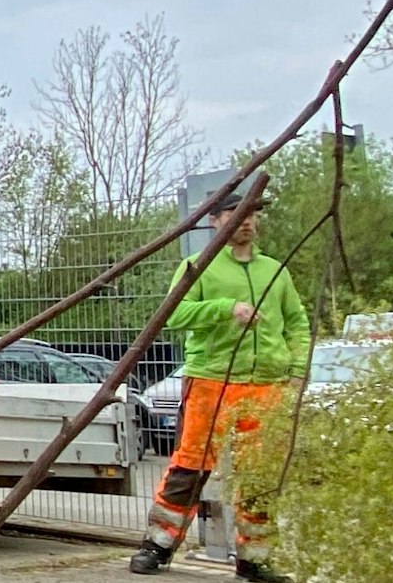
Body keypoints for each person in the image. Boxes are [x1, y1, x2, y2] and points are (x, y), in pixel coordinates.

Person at [130, 188, 308, 581]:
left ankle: (255, 557)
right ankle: (157, 546)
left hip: (268, 385)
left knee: (258, 475)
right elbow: (174, 314)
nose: (246, 220)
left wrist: (297, 369)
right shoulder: (198, 266)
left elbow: (296, 323)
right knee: (190, 466)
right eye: (236, 213)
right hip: (211, 379)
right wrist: (227, 309)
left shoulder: (275, 271)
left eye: (251, 213)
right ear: (215, 220)